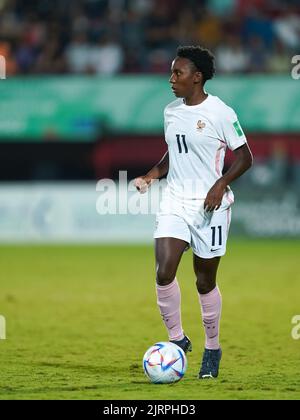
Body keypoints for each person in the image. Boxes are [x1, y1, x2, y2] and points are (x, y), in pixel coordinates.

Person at [134, 46, 253, 379]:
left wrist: (221, 184)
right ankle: (178, 340)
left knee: (204, 281)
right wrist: (150, 176)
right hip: (175, 201)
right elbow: (173, 155)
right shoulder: (171, 111)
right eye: (172, 73)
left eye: (178, 73)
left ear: (197, 77)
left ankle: (212, 347)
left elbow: (246, 158)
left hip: (210, 207)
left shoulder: (220, 112)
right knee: (163, 270)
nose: (171, 79)